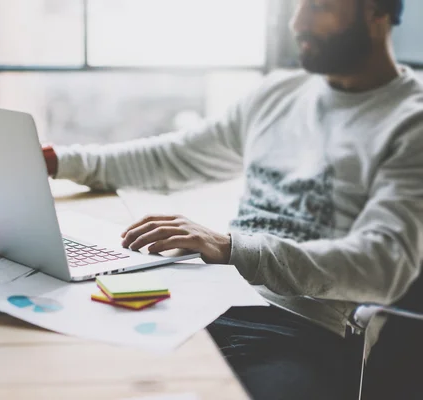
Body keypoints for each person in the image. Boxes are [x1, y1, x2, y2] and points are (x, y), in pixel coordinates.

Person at [43, 0, 423, 398]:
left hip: (300, 328)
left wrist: (231, 248)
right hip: (204, 297)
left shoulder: (410, 124)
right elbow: (172, 158)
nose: (298, 23)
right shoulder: (279, 95)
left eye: (319, 7)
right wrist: (57, 161)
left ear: (377, 12)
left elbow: (382, 266)